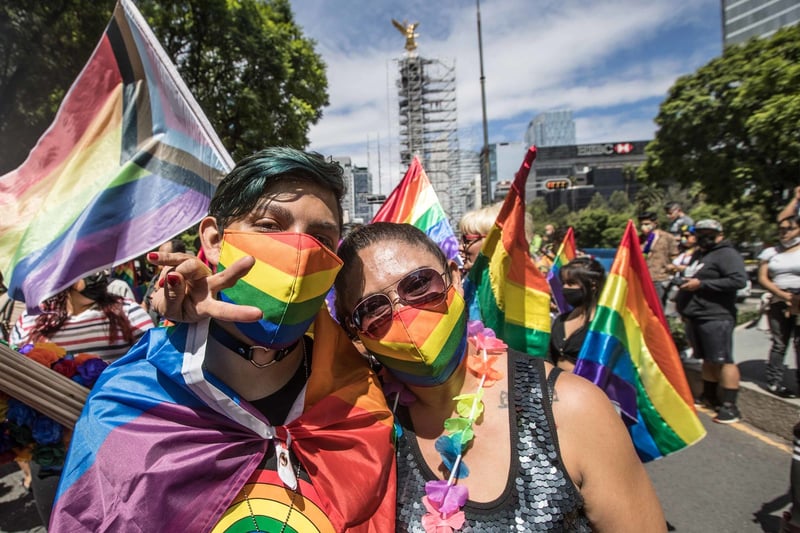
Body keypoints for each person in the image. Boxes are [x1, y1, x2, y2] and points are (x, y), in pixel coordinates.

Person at [50, 148, 396, 532]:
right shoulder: (130, 405)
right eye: (269, 226)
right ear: (214, 240)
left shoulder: (359, 397)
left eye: (320, 237)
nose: (298, 252)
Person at [333, 222, 665, 531]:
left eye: (419, 284)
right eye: (373, 309)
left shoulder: (570, 407)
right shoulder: (362, 425)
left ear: (455, 277)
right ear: (356, 333)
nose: (405, 313)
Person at [9, 270, 154, 526]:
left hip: (120, 453)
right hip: (55, 461)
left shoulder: (130, 314)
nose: (100, 273)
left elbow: (154, 374)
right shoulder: (30, 322)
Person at [675, 219, 748, 424]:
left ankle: (730, 406)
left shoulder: (727, 254)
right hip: (696, 314)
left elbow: (738, 280)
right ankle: (709, 395)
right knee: (707, 358)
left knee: (723, 358)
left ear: (720, 234)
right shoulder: (700, 255)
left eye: (708, 233)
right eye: (699, 233)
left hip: (716, 315)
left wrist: (702, 284)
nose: (703, 237)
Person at [757, 215, 800, 397]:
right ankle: (774, 381)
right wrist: (782, 294)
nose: (784, 233)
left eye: (788, 229)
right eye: (781, 229)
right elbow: (762, 278)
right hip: (779, 299)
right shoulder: (771, 252)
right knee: (779, 342)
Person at [548, 257, 607, 372]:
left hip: (588, 387)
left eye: (571, 283)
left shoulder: (603, 326)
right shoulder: (561, 320)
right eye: (563, 283)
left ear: (593, 285)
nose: (565, 288)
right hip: (555, 386)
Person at [141, 238, 188, 324]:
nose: (159, 267)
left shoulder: (187, 284)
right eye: (158, 261)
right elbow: (144, 303)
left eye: (164, 260)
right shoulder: (156, 279)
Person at [638, 211, 678, 308]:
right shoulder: (638, 239)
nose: (644, 227)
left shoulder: (667, 238)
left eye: (647, 224)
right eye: (641, 224)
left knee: (658, 307)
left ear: (655, 223)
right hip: (642, 278)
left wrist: (671, 270)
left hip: (660, 277)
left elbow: (675, 256)